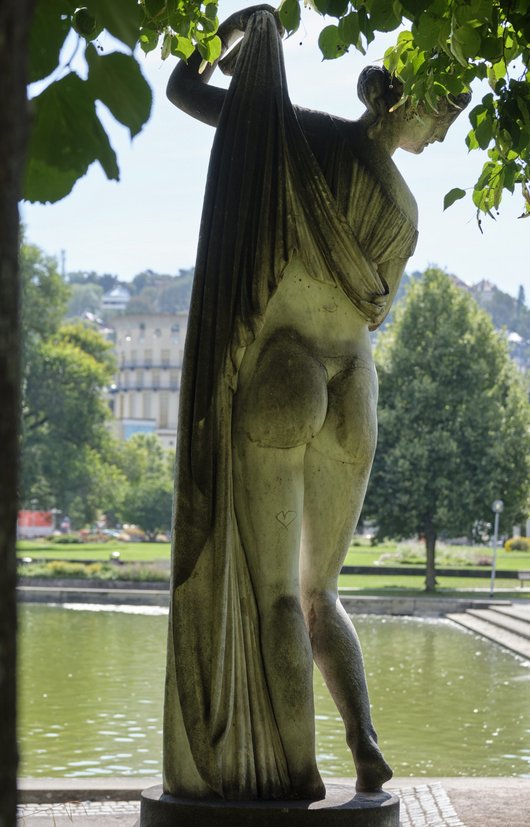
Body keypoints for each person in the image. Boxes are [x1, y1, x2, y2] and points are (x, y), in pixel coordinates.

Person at [163, 6, 469, 801]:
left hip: (286, 371)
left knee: (274, 595)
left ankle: (294, 772)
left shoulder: (298, 139)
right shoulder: (405, 211)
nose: (441, 135)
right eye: (442, 113)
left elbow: (182, 89)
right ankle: (365, 749)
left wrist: (239, 34)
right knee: (318, 593)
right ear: (400, 101)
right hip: (352, 385)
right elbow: (374, 310)